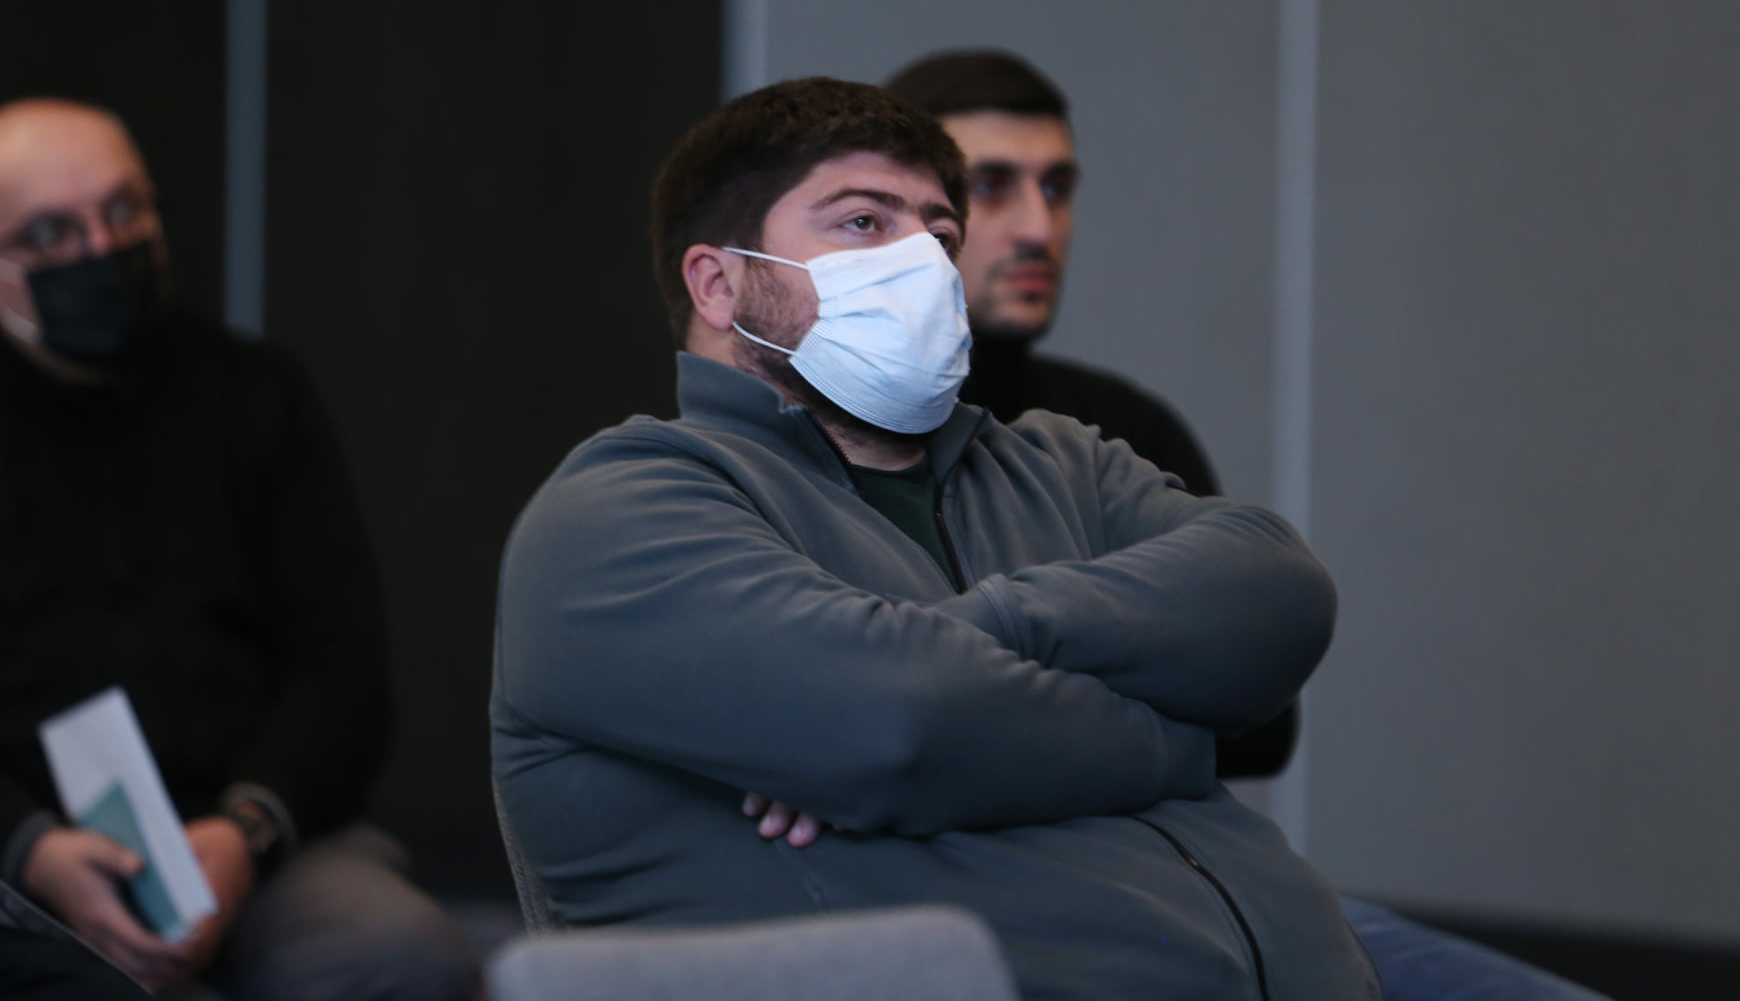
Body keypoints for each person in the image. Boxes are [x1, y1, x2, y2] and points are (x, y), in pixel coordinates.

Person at [493, 76, 1380, 1000]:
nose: (921, 260)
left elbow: (1281, 592)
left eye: (941, 235)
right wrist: (1179, 742)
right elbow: (899, 726)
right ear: (719, 283)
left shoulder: (1058, 461)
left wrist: (995, 631)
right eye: (864, 222)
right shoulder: (624, 508)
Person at [885, 48, 1610, 1001]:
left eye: (1057, 187)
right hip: (1000, 908)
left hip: (1198, 882)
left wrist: (1015, 699)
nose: (1037, 226)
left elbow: (1262, 721)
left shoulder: (1119, 429)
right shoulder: (849, 439)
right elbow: (890, 713)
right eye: (994, 186)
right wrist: (1123, 688)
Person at [0, 98, 476, 1000]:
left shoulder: (255, 392)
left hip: (250, 839)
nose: (101, 249)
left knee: (403, 955)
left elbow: (343, 671)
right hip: (30, 853)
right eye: (51, 232)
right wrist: (32, 850)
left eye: (123, 211)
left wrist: (245, 830)